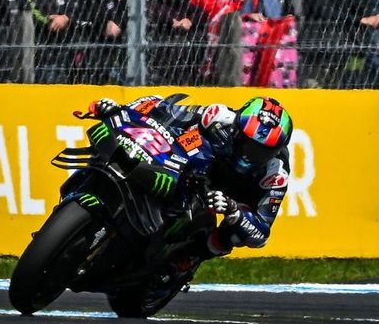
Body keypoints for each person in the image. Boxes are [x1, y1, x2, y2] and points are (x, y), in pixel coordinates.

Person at [79, 93, 291, 274]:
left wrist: (234, 211)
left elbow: (261, 234)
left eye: (261, 152)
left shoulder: (276, 173)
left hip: (232, 196)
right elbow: (164, 109)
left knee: (235, 235)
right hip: (194, 171)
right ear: (236, 129)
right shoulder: (218, 117)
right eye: (246, 144)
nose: (249, 155)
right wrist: (121, 110)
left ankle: (188, 260)